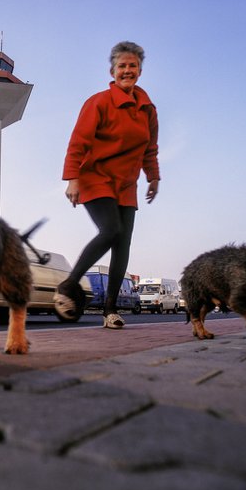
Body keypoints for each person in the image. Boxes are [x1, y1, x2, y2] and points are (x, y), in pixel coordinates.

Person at [54, 41, 160, 329]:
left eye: (133, 66)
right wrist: (72, 178)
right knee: (111, 230)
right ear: (113, 71)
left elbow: (150, 148)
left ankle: (110, 310)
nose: (127, 70)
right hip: (95, 177)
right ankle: (69, 285)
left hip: (126, 184)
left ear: (139, 70)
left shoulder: (148, 109)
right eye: (122, 66)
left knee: (123, 244)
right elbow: (78, 142)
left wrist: (153, 177)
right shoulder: (98, 102)